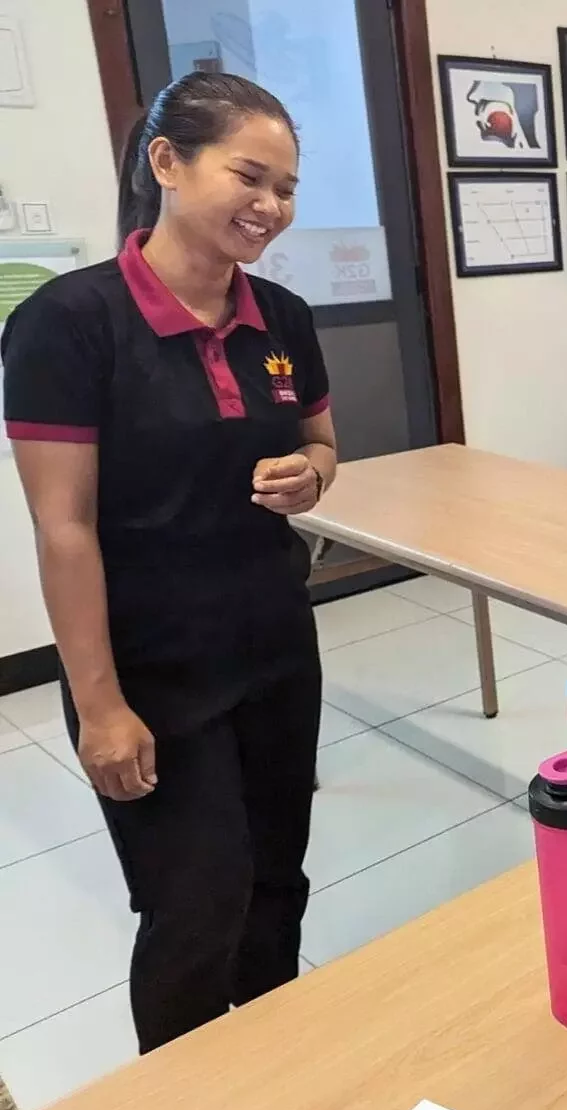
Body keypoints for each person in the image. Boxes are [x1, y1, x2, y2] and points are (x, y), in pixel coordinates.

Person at [1, 73, 335, 1053]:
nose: (271, 206)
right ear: (167, 164)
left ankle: (264, 1065)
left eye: (286, 187)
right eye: (250, 176)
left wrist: (308, 476)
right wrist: (99, 705)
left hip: (274, 645)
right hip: (148, 667)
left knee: (277, 881)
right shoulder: (68, 323)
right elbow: (62, 529)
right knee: (196, 909)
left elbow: (323, 447)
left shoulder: (283, 317)